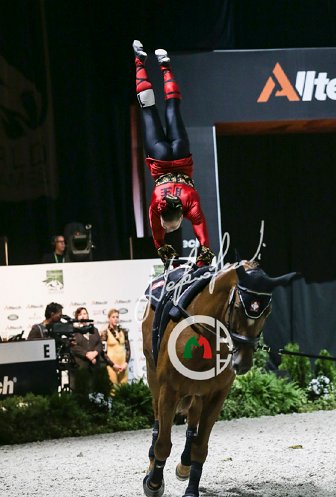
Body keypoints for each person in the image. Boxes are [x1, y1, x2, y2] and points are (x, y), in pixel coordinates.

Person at [133, 40, 215, 267]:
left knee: (173, 107)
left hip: (180, 155)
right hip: (159, 157)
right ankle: (139, 60)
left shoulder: (191, 203)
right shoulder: (156, 206)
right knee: (148, 110)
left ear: (180, 215)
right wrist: (163, 249)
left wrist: (203, 256)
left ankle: (165, 66)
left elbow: (203, 238)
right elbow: (159, 236)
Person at [101, 309, 131, 386]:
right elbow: (103, 352)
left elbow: (128, 349)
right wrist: (113, 365)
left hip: (123, 365)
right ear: (109, 318)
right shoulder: (105, 333)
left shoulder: (124, 331)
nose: (115, 319)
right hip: (112, 366)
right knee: (113, 389)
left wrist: (126, 363)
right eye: (113, 317)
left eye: (117, 317)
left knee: (124, 389)